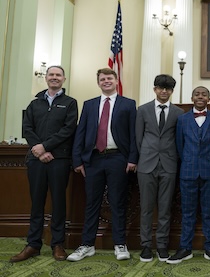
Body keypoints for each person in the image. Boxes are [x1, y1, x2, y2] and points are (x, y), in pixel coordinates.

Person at [68, 68, 138, 262]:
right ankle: (87, 245)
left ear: (116, 81)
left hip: (118, 159)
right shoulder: (89, 105)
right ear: (98, 82)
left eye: (109, 78)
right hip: (93, 160)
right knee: (92, 203)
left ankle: (119, 244)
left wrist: (132, 158)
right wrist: (78, 160)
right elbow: (80, 133)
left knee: (118, 202)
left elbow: (134, 134)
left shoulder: (128, 104)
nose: (106, 81)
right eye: (102, 79)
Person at [10, 66, 78, 263]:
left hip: (59, 160)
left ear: (64, 79)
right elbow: (27, 128)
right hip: (36, 161)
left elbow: (68, 130)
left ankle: (57, 244)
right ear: (46, 78)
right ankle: (33, 244)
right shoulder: (34, 104)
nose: (54, 78)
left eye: (58, 75)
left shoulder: (70, 103)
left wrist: (46, 147)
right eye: (51, 75)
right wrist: (38, 150)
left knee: (58, 202)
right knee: (36, 202)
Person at [168, 86, 210, 264]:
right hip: (188, 171)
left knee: (209, 212)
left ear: (209, 98)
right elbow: (179, 145)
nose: (200, 97)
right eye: (197, 94)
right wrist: (188, 163)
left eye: (204, 94)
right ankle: (185, 248)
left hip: (209, 172)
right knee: (188, 212)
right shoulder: (182, 120)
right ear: (192, 97)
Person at [135, 74, 184, 262]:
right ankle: (146, 245)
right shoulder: (143, 110)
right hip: (146, 164)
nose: (164, 91)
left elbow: (178, 139)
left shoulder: (178, 113)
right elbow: (138, 138)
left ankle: (162, 245)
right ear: (155, 89)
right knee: (146, 208)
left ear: (172, 91)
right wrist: (144, 156)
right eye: (161, 88)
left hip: (169, 164)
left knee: (165, 208)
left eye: (168, 88)